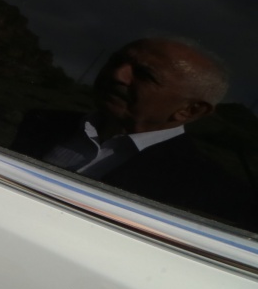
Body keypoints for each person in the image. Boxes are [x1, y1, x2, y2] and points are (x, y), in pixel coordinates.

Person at [13, 38, 253, 227]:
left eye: (145, 75)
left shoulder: (211, 190)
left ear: (190, 110)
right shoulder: (40, 122)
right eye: (116, 61)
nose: (117, 74)